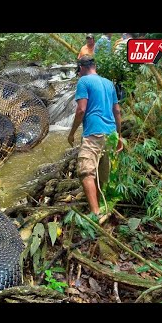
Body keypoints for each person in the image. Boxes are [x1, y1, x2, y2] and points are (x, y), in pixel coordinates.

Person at [67, 55, 123, 216]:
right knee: (102, 173)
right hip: (110, 133)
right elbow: (117, 111)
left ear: (82, 68)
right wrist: (118, 136)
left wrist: (71, 134)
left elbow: (81, 110)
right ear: (94, 66)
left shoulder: (84, 82)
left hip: (94, 133)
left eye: (79, 70)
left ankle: (96, 213)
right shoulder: (108, 83)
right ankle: (101, 205)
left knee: (86, 172)